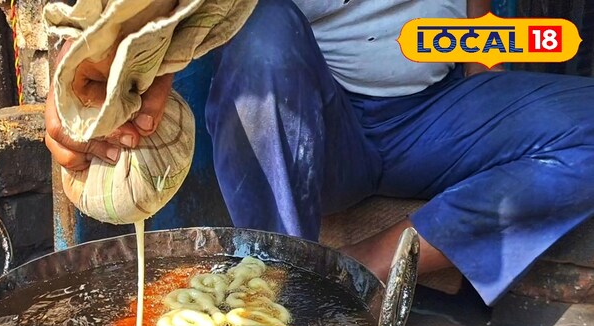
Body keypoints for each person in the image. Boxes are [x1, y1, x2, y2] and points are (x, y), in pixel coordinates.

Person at [45, 0, 594, 306]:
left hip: (434, 114)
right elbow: (129, 14)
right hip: (318, 130)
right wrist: (81, 66)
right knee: (262, 35)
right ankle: (281, 285)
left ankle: (362, 266)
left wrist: (483, 94)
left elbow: (476, 19)